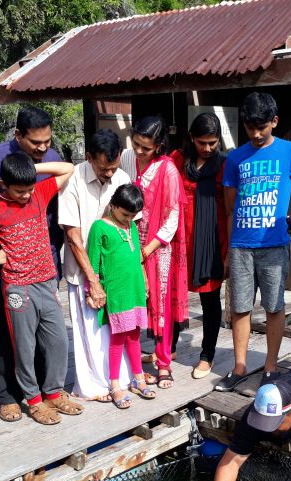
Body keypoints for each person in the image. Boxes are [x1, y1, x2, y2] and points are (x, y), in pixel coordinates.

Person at [215, 92, 291, 392]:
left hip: (274, 245)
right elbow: (229, 208)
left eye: (262, 127)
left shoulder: (290, 151)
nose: (256, 133)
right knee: (239, 307)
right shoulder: (235, 157)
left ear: (274, 122)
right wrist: (228, 250)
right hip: (241, 246)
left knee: (275, 306)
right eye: (251, 127)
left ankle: (271, 366)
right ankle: (239, 367)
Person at [0, 153, 82, 425]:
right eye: (20, 190)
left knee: (57, 341)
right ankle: (33, 399)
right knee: (24, 346)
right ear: (2, 184)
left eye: (30, 188)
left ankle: (54, 392)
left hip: (46, 282)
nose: (26, 195)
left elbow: (68, 169)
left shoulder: (39, 193)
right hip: (18, 288)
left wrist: (32, 170)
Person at [59, 129, 132, 401]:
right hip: (83, 270)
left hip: (115, 271)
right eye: (103, 168)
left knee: (118, 327)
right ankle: (93, 386)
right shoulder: (74, 179)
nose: (109, 174)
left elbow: (129, 227)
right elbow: (73, 236)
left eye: (113, 168)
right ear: (89, 157)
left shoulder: (122, 178)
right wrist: (93, 280)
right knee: (89, 331)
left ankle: (119, 379)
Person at [120, 116, 188, 390]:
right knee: (132, 301)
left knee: (160, 306)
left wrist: (148, 248)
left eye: (145, 148)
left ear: (158, 146)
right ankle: (132, 364)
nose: (139, 151)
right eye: (136, 144)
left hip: (157, 247)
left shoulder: (168, 169)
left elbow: (172, 217)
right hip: (130, 242)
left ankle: (163, 364)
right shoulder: (128, 158)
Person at [86, 184, 157, 409]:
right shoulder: (100, 227)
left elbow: (137, 258)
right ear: (114, 206)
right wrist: (94, 290)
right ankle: (115, 384)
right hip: (116, 291)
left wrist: (144, 279)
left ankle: (138, 378)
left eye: (134, 216)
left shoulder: (131, 226)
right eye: (126, 214)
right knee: (118, 338)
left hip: (134, 289)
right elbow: (93, 263)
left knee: (135, 335)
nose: (129, 219)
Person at [169, 113, 227, 379]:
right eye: (202, 142)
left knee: (210, 300)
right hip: (180, 240)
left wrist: (228, 253)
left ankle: (207, 355)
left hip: (211, 242)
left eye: (212, 143)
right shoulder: (178, 160)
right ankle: (167, 349)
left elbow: (229, 208)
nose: (207, 148)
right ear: (191, 137)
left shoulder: (225, 165)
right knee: (172, 297)